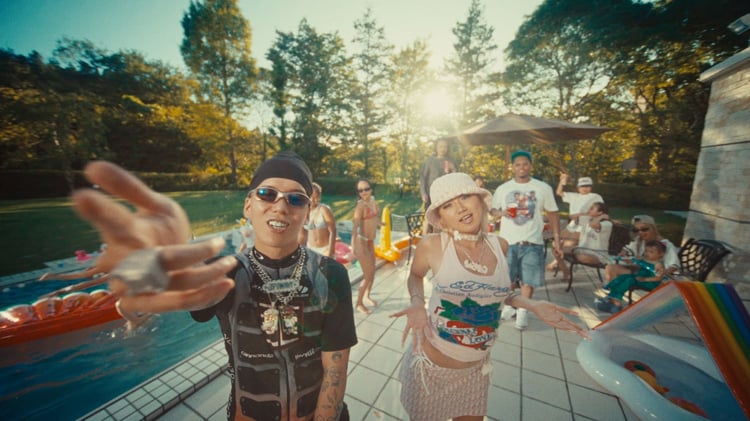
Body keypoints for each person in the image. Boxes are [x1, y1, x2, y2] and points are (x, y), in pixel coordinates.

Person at [71, 152, 357, 421]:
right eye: (267, 194)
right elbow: (180, 295)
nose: (281, 206)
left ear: (307, 212)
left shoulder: (329, 274)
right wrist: (150, 274)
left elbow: (335, 368)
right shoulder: (226, 271)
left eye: (296, 199)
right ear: (248, 205)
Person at [391, 172, 589, 421]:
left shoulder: (500, 245)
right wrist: (417, 302)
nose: (460, 208)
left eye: (465, 197)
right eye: (448, 205)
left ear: (481, 201)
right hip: (431, 370)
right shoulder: (432, 245)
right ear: (441, 218)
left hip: (476, 370)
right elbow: (415, 275)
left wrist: (532, 304)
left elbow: (499, 292)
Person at [490, 150, 561, 330]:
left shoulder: (543, 188)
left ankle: (523, 311)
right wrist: (501, 212)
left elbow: (553, 213)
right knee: (507, 279)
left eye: (525, 164)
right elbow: (492, 210)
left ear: (530, 166)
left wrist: (557, 239)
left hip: (532, 241)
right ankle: (509, 307)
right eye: (517, 164)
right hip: (508, 242)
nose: (521, 167)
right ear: (512, 167)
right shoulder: (503, 189)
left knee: (528, 280)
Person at [547, 174, 604, 272]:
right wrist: (562, 181)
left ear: (591, 187)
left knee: (567, 244)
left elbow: (600, 211)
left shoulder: (595, 197)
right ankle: (561, 264)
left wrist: (581, 214)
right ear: (578, 187)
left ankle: (557, 264)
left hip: (585, 225)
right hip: (573, 225)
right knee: (556, 242)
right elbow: (559, 192)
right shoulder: (574, 196)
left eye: (587, 186)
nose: (585, 188)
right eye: (582, 186)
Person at [596, 240, 668, 313]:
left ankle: (616, 299)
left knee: (629, 280)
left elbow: (659, 278)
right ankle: (610, 289)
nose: (647, 253)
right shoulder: (645, 260)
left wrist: (645, 279)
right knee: (624, 276)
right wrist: (631, 260)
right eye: (646, 251)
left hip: (650, 283)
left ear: (661, 254)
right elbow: (636, 263)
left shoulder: (658, 265)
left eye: (651, 252)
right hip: (639, 278)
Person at [604, 214, 679, 282]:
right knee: (610, 268)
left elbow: (674, 266)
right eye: (636, 230)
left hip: (653, 276)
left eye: (644, 229)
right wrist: (624, 254)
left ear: (653, 228)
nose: (640, 232)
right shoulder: (639, 241)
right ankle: (613, 291)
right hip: (639, 272)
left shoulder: (666, 244)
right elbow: (627, 250)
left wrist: (659, 275)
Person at [351, 179, 379, 314]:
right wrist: (352, 248)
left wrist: (381, 223)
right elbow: (355, 228)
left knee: (373, 273)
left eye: (366, 189)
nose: (364, 192)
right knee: (368, 275)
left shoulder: (373, 202)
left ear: (371, 189)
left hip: (370, 241)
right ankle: (359, 303)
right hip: (361, 242)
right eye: (360, 190)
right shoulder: (360, 207)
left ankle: (367, 296)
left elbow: (374, 218)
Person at [419, 138, 456, 234]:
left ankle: (437, 240)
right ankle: (424, 239)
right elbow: (423, 178)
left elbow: (455, 178)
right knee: (428, 218)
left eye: (445, 147)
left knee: (440, 218)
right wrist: (423, 193)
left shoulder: (450, 161)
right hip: (430, 194)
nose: (443, 149)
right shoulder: (430, 161)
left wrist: (453, 169)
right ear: (436, 148)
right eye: (440, 146)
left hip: (444, 195)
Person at [569, 202, 613, 267]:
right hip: (582, 250)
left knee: (582, 257)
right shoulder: (589, 220)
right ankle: (563, 269)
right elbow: (571, 216)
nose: (589, 209)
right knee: (559, 250)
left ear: (600, 212)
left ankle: (572, 256)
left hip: (598, 255)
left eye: (592, 208)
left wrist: (601, 217)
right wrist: (585, 213)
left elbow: (593, 225)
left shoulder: (607, 224)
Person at [303, 182, 337, 258]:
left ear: (319, 197)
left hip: (325, 249)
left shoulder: (324, 209)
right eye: (311, 197)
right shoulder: (303, 210)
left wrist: (331, 252)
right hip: (310, 248)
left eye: (316, 197)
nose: (313, 200)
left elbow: (333, 231)